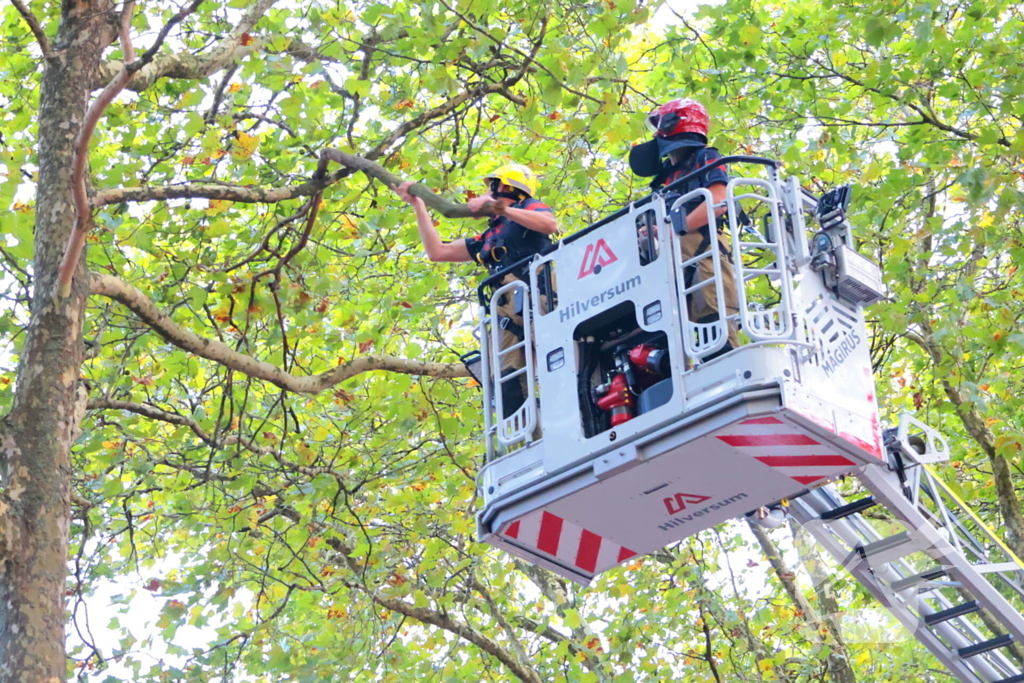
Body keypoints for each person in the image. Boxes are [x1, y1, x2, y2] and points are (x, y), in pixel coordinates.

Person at [392, 164, 558, 416]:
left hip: (538, 296)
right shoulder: (490, 236)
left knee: (559, 356)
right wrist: (419, 206)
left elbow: (548, 224)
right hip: (507, 311)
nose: (485, 193)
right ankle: (531, 429)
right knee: (507, 380)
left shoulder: (527, 207)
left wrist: (502, 208)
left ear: (504, 187)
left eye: (490, 188)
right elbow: (438, 252)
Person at [628, 98, 740, 361]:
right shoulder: (665, 177)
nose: (655, 134)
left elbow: (718, 201)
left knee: (713, 320)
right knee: (667, 331)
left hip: (703, 252)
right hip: (670, 259)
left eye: (659, 125)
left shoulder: (706, 157)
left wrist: (673, 229)